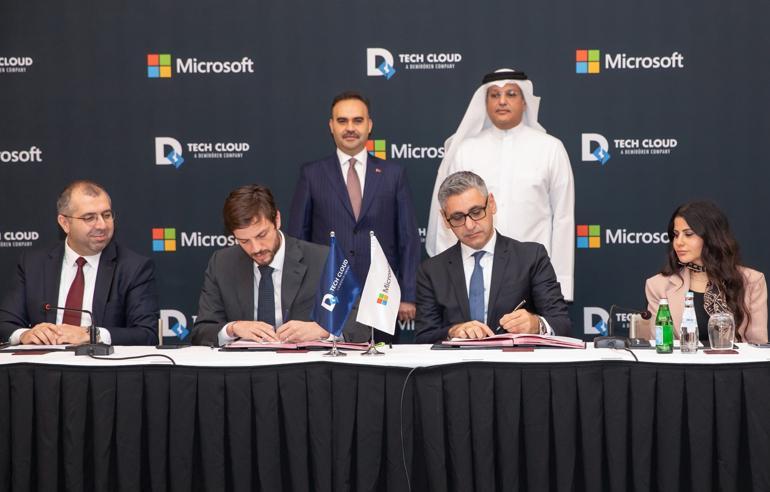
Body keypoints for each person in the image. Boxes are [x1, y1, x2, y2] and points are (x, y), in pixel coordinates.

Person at [426, 69, 575, 301]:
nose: (502, 101)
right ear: (485, 102)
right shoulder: (465, 150)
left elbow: (563, 219)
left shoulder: (550, 148)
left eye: (511, 94)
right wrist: (448, 282)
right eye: (494, 95)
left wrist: (559, 284)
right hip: (475, 276)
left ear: (524, 102)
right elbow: (450, 214)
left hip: (533, 275)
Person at [287, 91, 420, 331]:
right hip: (327, 294)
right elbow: (298, 239)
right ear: (331, 126)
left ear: (369, 125)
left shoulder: (393, 175)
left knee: (380, 355)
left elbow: (408, 239)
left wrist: (408, 294)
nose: (350, 128)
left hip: (381, 294)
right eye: (342, 121)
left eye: (357, 120)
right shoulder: (312, 174)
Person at [192, 184, 368, 346]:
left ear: (277, 220)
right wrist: (233, 328)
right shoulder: (222, 263)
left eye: (261, 235)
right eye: (244, 241)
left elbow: (361, 325)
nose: (256, 248)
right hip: (245, 367)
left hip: (303, 366)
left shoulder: (322, 259)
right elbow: (202, 331)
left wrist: (322, 330)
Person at [415, 171, 570, 344]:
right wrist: (452, 332)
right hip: (457, 361)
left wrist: (536, 325)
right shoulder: (431, 271)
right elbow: (423, 338)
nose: (469, 225)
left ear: (492, 204)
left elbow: (561, 324)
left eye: (476, 212)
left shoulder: (531, 258)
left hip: (514, 360)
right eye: (458, 217)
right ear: (445, 219)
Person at [0, 180, 159, 345]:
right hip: (46, 360)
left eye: (106, 215)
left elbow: (147, 333)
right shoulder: (33, 264)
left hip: (100, 361)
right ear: (65, 223)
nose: (102, 225)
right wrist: (25, 334)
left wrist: (92, 335)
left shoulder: (134, 268)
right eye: (89, 218)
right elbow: (5, 324)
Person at [644, 201, 768, 343]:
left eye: (688, 234)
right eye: (676, 235)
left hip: (736, 358)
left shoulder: (752, 281)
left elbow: (758, 346)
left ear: (711, 237)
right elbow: (662, 345)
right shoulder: (658, 285)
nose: (678, 242)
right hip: (682, 358)